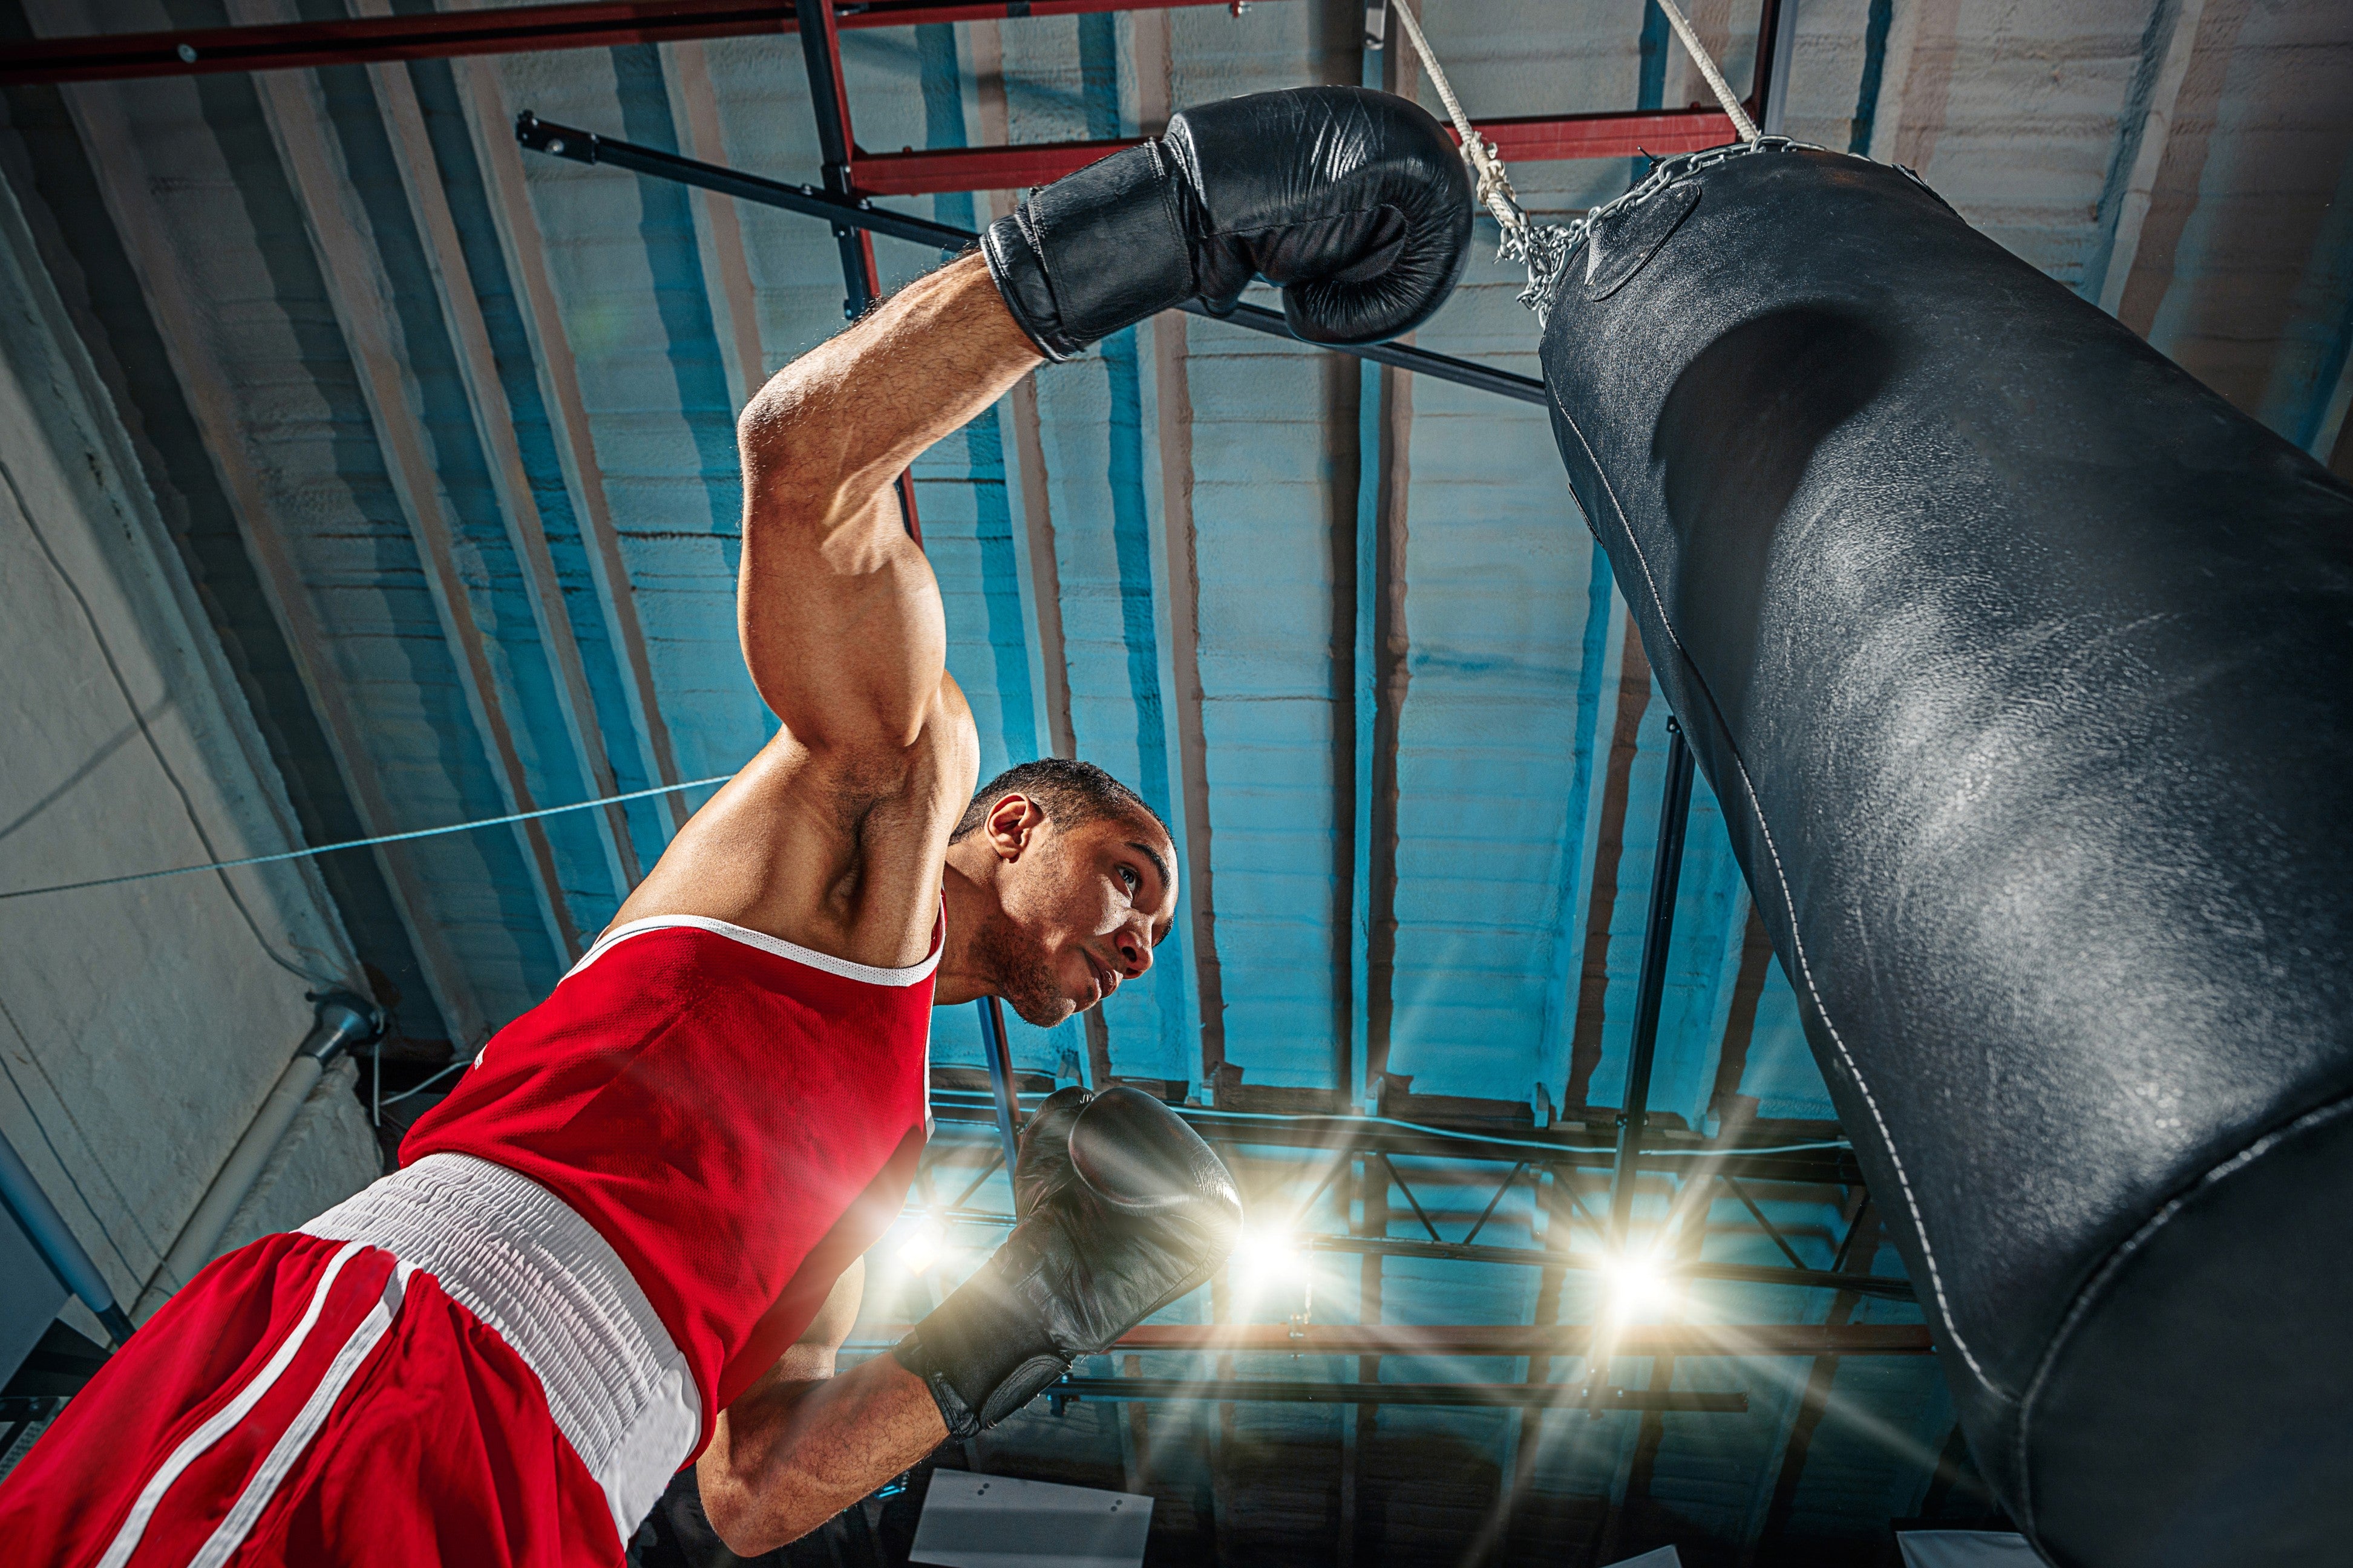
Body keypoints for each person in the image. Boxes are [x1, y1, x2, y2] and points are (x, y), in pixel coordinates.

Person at [0, 83, 1470, 1565]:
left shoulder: (887, 1143)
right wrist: (1180, 218)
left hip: (552, 1504)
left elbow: (754, 1491)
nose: (1144, 944)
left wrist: (1042, 1302)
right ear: (1015, 826)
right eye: (1133, 882)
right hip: (410, 1362)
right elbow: (808, 463)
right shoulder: (892, 793)